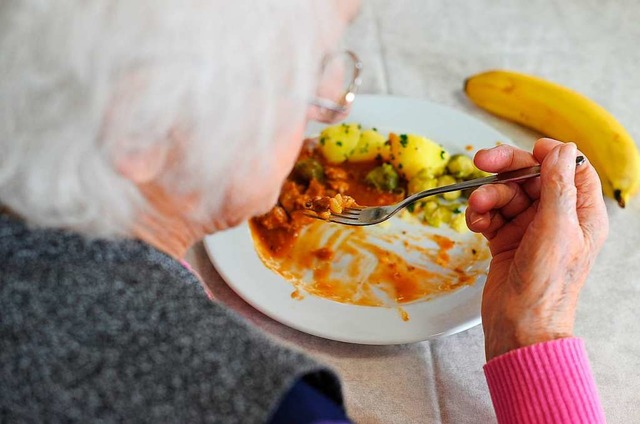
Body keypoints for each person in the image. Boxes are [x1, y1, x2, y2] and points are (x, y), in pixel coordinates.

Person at [0, 1, 607, 423]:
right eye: (312, 69)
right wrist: (538, 331)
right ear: (142, 128)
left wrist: (513, 322)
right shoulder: (274, 407)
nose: (335, 110)